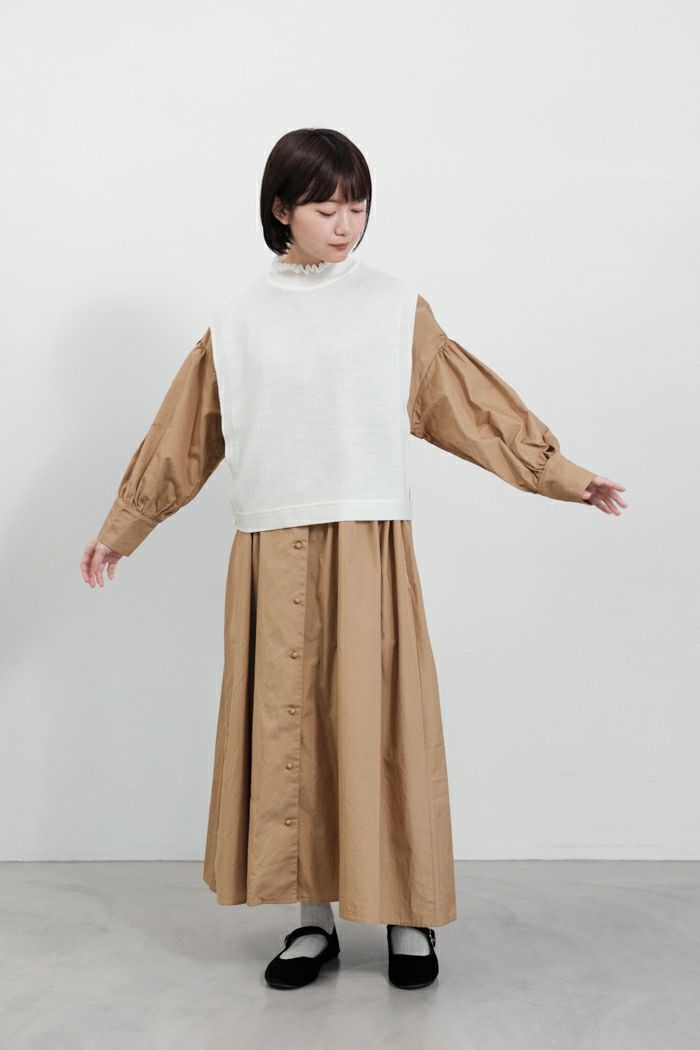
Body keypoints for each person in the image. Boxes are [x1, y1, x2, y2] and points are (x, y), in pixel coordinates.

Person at [80, 127, 626, 991]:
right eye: (326, 208)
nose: (346, 225)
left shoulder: (393, 306)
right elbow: (186, 434)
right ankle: (312, 923)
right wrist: (123, 526)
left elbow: (469, 408)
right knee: (289, 731)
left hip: (367, 540)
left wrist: (561, 474)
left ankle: (409, 918)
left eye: (358, 206)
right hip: (271, 546)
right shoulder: (236, 319)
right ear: (281, 210)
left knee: (381, 727)